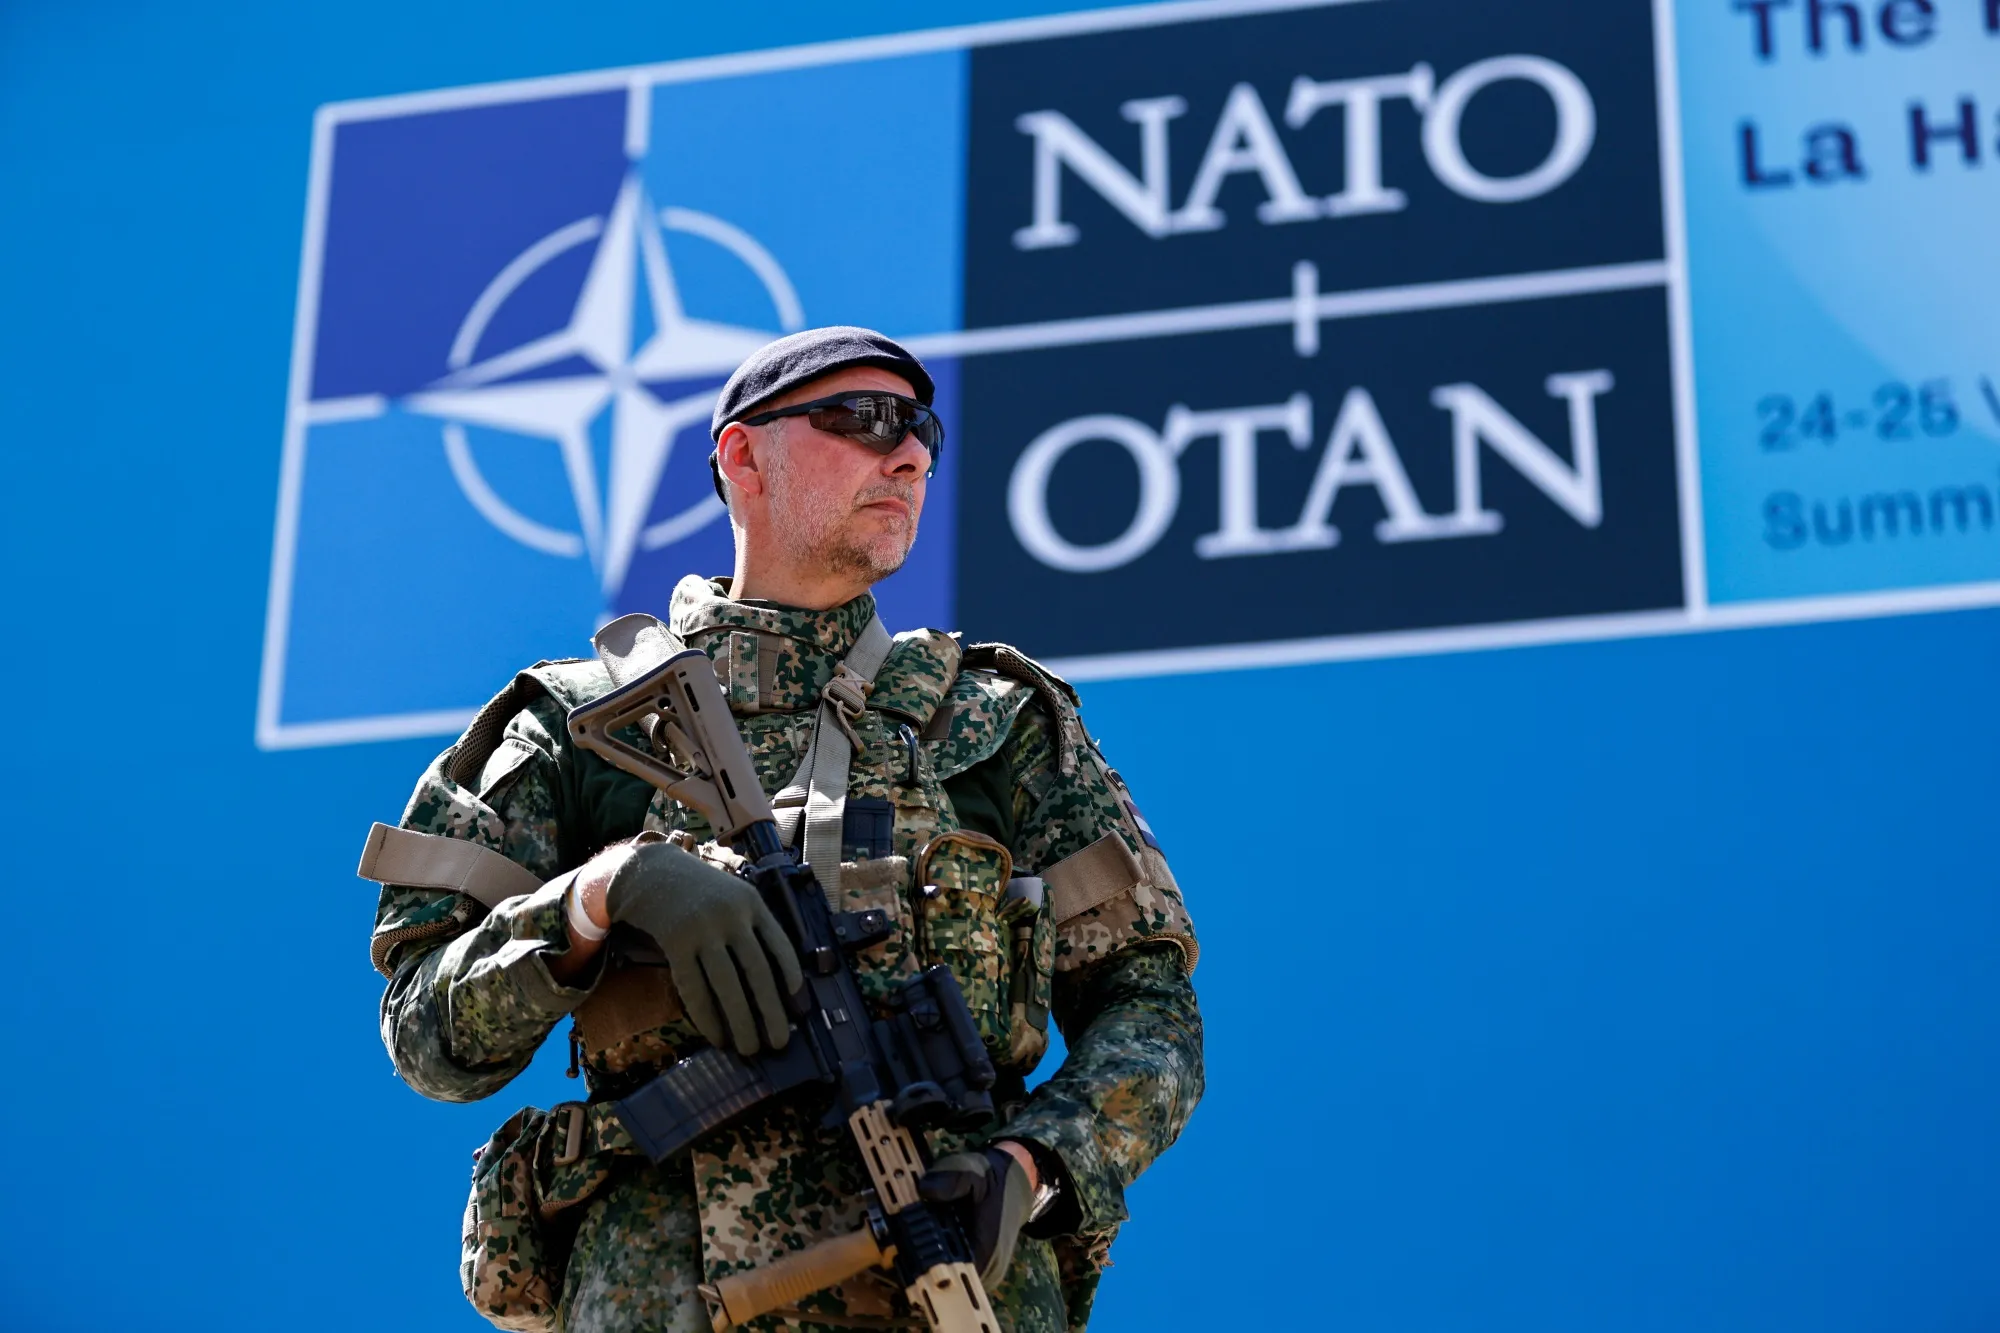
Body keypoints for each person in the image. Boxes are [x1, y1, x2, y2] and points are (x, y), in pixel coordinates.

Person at [367, 326, 1203, 1333]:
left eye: (921, 431)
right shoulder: (577, 725)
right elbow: (429, 1040)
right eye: (860, 421)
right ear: (739, 456)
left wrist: (1032, 1165)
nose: (906, 454)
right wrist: (599, 897)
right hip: (666, 1292)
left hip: (951, 1290)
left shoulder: (994, 722)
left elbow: (1151, 1016)